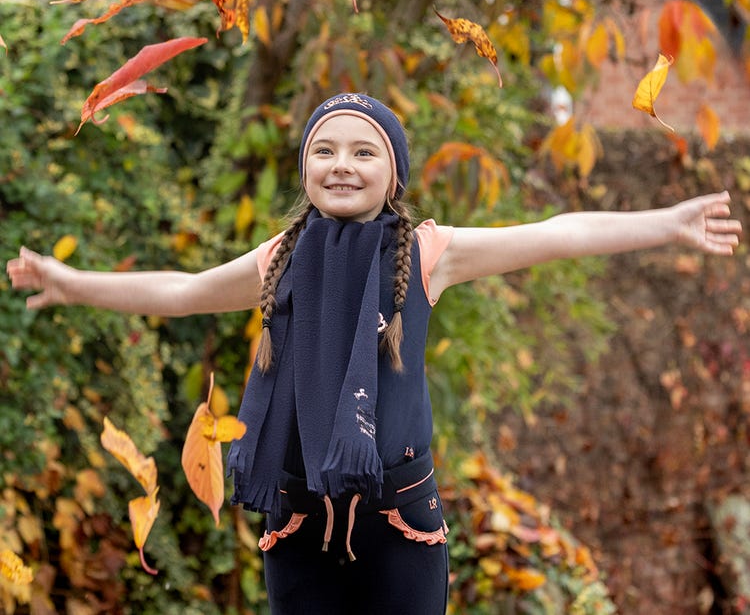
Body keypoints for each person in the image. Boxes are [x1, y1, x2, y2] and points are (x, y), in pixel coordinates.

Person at [6, 92, 742, 615]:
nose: (342, 164)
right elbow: (181, 290)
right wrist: (71, 284)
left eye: (365, 151)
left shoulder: (427, 252)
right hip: (295, 521)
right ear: (305, 168)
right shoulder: (279, 258)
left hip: (400, 521)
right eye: (324, 150)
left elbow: (555, 233)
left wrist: (665, 224)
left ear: (394, 173)